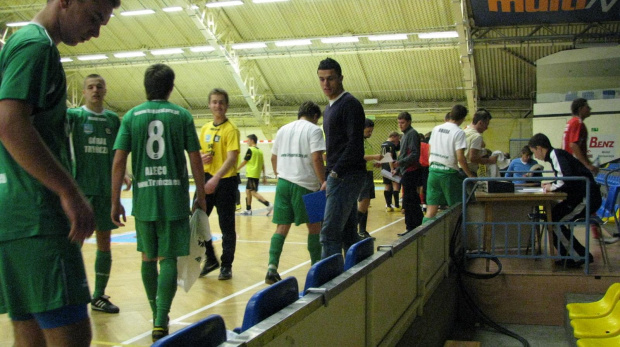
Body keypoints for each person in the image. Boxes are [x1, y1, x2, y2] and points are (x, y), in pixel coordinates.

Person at [0, 1, 119, 346]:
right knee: (71, 337)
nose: (96, 31)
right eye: (94, 18)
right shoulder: (37, 47)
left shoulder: (19, 43)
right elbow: (9, 124)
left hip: (16, 218)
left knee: (30, 333)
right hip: (40, 217)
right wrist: (69, 191)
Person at [111, 64, 205, 342]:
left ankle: (156, 317)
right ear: (171, 87)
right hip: (174, 198)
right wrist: (200, 193)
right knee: (169, 259)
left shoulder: (131, 116)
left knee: (147, 257)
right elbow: (195, 158)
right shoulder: (182, 116)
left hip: (144, 199)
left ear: (146, 87)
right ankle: (162, 318)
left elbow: (118, 160)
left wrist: (115, 200)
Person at [67, 74, 130, 314]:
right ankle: (72, 293)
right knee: (74, 243)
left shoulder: (113, 120)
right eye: (90, 87)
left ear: (105, 91)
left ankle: (99, 295)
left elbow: (118, 153)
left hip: (105, 191)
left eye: (99, 87)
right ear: (83, 92)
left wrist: (122, 174)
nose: (95, 90)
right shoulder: (74, 117)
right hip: (81, 192)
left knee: (105, 243)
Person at [265, 101, 326, 284]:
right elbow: (316, 158)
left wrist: (280, 174)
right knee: (314, 227)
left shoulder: (283, 129)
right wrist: (323, 181)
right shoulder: (314, 130)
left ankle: (271, 267)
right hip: (305, 184)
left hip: (283, 184)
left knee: (281, 227)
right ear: (315, 116)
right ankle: (316, 267)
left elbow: (274, 157)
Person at [317, 57, 366, 259]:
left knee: (329, 234)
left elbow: (354, 144)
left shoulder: (350, 104)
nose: (326, 84)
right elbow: (334, 147)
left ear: (341, 78)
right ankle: (356, 273)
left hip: (346, 176)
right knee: (347, 233)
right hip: (338, 176)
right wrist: (327, 177)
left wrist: (334, 174)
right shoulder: (329, 108)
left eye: (330, 79)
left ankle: (330, 284)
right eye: (321, 79)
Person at [528, 133, 601, 268]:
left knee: (554, 221)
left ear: (539, 148)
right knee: (552, 217)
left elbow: (565, 179)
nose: (535, 156)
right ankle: (573, 255)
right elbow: (564, 178)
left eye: (534, 152)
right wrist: (551, 185)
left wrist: (552, 186)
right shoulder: (556, 155)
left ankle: (576, 257)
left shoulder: (555, 154)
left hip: (586, 198)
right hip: (580, 197)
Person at [198, 88, 240, 280]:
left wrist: (216, 178)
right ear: (209, 104)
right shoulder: (205, 128)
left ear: (227, 105)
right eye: (214, 102)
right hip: (206, 179)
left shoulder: (231, 129)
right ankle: (210, 258)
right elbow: (198, 153)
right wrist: (201, 157)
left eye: (221, 102)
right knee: (197, 220)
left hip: (225, 182)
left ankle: (226, 265)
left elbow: (232, 158)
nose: (218, 105)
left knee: (226, 226)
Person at [424, 105, 474, 222]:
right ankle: (457, 237)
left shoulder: (436, 128)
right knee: (458, 208)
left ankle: (425, 238)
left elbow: (430, 150)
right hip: (448, 173)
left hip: (433, 171)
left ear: (450, 114)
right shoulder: (459, 132)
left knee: (431, 210)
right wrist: (470, 174)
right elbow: (460, 157)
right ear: (462, 118)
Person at [392, 112, 424, 234]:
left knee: (410, 200)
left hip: (412, 171)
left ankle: (412, 226)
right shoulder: (405, 135)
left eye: (403, 123)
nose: (400, 125)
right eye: (399, 123)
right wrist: (398, 168)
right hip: (406, 170)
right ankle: (413, 225)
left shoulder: (412, 134)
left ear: (409, 122)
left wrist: (400, 164)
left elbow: (414, 154)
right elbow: (404, 154)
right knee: (410, 200)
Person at [358, 119, 382, 239]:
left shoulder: (366, 142)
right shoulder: (356, 141)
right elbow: (357, 157)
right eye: (368, 131)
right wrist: (374, 156)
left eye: (371, 131)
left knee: (366, 203)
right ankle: (354, 231)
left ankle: (362, 230)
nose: (370, 133)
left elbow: (364, 160)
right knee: (363, 202)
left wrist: (374, 163)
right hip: (362, 174)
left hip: (368, 172)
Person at [237, 134, 273, 216]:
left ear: (252, 140)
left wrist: (236, 169)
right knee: (247, 191)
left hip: (252, 174)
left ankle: (268, 204)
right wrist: (264, 176)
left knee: (252, 192)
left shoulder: (250, 150)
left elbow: (245, 161)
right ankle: (248, 209)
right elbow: (263, 164)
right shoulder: (260, 151)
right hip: (255, 174)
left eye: (248, 140)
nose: (247, 142)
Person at [562, 98, 598, 174]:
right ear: (580, 109)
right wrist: (587, 165)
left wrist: (588, 162)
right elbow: (573, 145)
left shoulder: (571, 122)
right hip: (573, 165)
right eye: (587, 107)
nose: (590, 109)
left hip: (568, 163)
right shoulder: (577, 122)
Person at [463, 108, 498, 176]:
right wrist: (489, 160)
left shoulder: (464, 131)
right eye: (486, 124)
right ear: (480, 123)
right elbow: (472, 158)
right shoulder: (477, 136)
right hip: (469, 171)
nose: (486, 128)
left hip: (460, 169)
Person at [381, 131, 401, 212]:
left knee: (387, 186)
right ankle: (396, 205)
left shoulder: (383, 144)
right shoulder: (391, 145)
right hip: (391, 166)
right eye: (397, 138)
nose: (397, 141)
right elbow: (390, 157)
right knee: (395, 185)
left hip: (384, 166)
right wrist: (392, 169)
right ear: (393, 136)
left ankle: (388, 205)